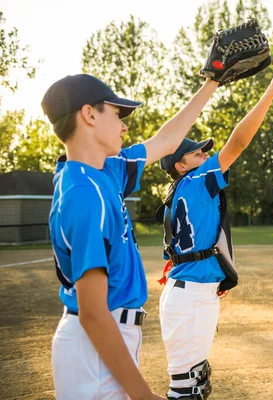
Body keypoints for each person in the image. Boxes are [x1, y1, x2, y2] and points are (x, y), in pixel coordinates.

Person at [43, 73, 220, 400]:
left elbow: (167, 141)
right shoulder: (84, 194)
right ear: (89, 114)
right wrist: (142, 394)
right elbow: (94, 314)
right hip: (95, 347)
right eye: (117, 114)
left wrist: (213, 81)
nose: (125, 126)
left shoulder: (104, 171)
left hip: (105, 343)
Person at [156, 57, 273, 400]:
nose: (205, 158)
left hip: (193, 293)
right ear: (180, 165)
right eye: (197, 154)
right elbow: (239, 142)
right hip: (189, 299)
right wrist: (272, 91)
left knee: (194, 386)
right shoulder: (196, 181)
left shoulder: (178, 192)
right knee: (187, 390)